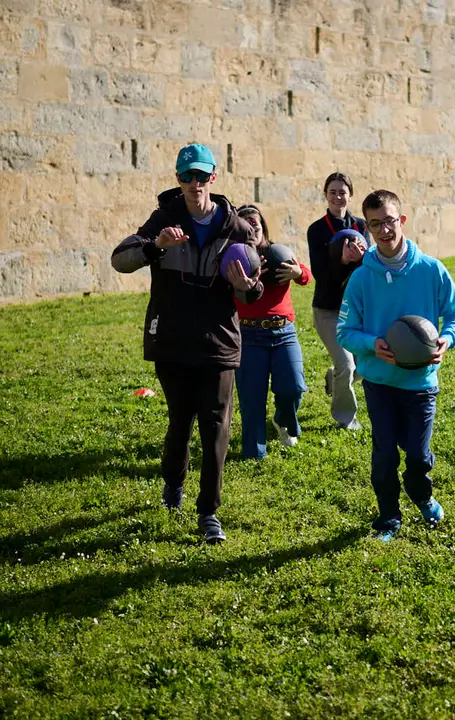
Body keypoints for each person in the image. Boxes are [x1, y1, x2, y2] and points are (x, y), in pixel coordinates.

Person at [111, 143, 264, 545]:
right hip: (173, 339)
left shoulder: (237, 228)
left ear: (213, 176)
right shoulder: (164, 218)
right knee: (181, 420)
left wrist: (247, 288)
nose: (194, 184)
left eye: (201, 175)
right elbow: (120, 259)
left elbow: (253, 290)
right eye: (186, 176)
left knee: (216, 426)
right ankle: (173, 484)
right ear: (177, 179)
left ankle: (208, 512)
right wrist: (155, 246)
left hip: (219, 341)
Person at [336, 189, 455, 542]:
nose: (384, 230)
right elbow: (345, 331)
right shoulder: (362, 279)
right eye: (375, 224)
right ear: (367, 227)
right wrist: (371, 345)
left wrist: (447, 339)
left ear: (402, 221)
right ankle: (388, 518)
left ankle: (422, 494)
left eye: (389, 221)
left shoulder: (431, 270)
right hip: (379, 382)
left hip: (420, 383)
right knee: (383, 455)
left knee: (418, 453)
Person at [233, 204, 313, 459]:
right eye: (245, 225)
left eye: (254, 224)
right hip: (248, 336)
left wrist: (298, 272)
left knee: (294, 386)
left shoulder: (279, 252)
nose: (251, 228)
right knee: (251, 398)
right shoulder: (233, 258)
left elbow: (307, 277)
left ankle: (282, 417)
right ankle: (254, 453)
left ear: (262, 226)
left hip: (283, 333)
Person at [307, 172, 370, 431]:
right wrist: (342, 261)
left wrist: (361, 259)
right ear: (325, 195)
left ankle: (335, 379)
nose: (337, 196)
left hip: (355, 309)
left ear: (350, 195)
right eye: (332, 192)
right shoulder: (317, 230)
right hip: (327, 310)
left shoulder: (362, 227)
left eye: (342, 192)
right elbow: (319, 274)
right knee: (347, 363)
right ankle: (346, 419)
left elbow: (369, 268)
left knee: (365, 362)